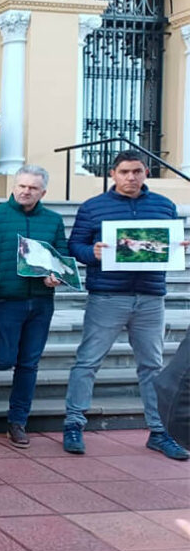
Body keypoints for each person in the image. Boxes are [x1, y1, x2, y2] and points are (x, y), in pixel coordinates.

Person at [62, 151, 190, 459]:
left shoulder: (163, 206)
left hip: (150, 296)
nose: (131, 177)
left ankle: (160, 432)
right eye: (124, 172)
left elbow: (168, 242)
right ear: (113, 174)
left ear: (145, 172)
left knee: (151, 366)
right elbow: (74, 246)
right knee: (88, 361)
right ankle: (74, 424)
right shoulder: (93, 208)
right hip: (107, 296)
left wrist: (177, 246)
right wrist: (90, 252)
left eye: (136, 171)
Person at [0, 165, 66, 448]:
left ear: (43, 192)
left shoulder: (54, 220)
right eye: (22, 186)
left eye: (32, 188)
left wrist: (57, 275)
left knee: (28, 363)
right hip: (6, 299)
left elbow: (62, 255)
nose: (25, 191)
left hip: (42, 302)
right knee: (4, 358)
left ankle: (17, 421)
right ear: (14, 186)